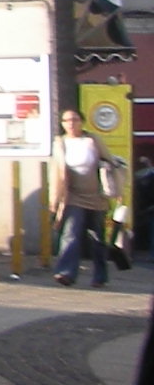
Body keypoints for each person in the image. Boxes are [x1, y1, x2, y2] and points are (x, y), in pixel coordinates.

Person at [53, 106, 116, 288]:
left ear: (82, 122)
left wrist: (113, 185)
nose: (71, 124)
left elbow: (110, 161)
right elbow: (55, 172)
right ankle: (66, 272)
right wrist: (55, 199)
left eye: (75, 120)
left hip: (96, 196)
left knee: (97, 238)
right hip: (73, 196)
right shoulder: (60, 143)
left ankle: (100, 275)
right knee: (70, 233)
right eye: (66, 120)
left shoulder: (92, 140)